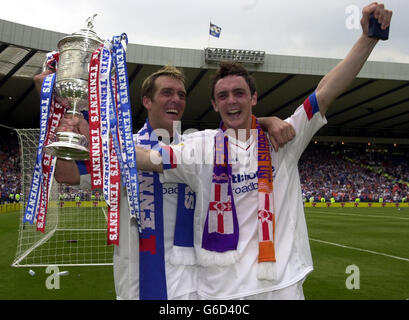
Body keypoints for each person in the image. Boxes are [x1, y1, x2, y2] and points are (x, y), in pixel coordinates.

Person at [133, 3, 392, 299]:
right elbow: (149, 159)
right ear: (215, 104)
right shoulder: (199, 145)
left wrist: (368, 38)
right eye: (223, 95)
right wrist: (104, 145)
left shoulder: (283, 139)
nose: (232, 101)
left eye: (239, 93)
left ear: (254, 97)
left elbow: (326, 92)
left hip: (280, 285)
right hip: (221, 292)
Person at [33, 64, 295, 299]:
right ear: (147, 100)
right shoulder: (126, 147)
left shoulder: (199, 143)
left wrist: (268, 122)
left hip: (193, 283)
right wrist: (57, 120)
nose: (176, 100)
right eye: (167, 93)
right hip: (139, 278)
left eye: (181, 94)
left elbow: (237, 122)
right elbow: (67, 175)